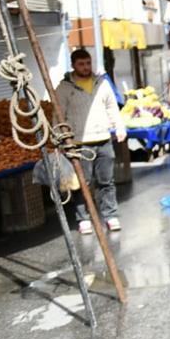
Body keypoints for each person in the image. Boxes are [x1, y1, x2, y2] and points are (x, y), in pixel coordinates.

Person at [54, 48, 126, 235]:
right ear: (73, 65)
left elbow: (112, 106)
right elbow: (58, 115)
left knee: (106, 181)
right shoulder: (64, 88)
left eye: (88, 63)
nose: (86, 67)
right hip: (79, 143)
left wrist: (119, 127)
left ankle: (110, 216)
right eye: (81, 64)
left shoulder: (101, 83)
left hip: (103, 139)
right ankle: (83, 218)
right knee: (81, 183)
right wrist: (60, 141)